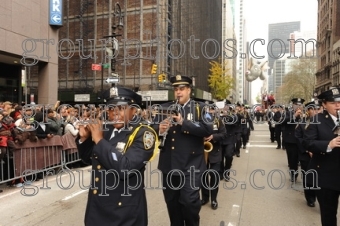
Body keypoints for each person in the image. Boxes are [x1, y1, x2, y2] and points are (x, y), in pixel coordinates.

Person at [76, 86, 157, 226]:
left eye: (121, 108)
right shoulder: (106, 131)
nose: (116, 113)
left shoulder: (143, 133)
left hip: (124, 212)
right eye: (111, 109)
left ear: (133, 110)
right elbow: (88, 158)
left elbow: (125, 168)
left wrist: (99, 140)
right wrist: (84, 139)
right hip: (98, 209)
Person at [155, 75, 212, 226]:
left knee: (189, 203)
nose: (178, 92)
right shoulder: (164, 108)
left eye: (181, 89)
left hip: (191, 165)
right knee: (172, 205)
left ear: (189, 90)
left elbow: (207, 129)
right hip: (169, 164)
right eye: (176, 89)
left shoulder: (201, 108)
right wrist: (159, 129)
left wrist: (182, 122)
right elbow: (151, 129)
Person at [303, 87, 340, 226]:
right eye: (333, 102)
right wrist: (328, 145)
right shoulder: (317, 120)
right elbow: (308, 143)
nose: (338, 105)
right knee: (329, 215)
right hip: (326, 175)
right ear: (324, 104)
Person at [200, 108, 227, 210]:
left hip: (215, 152)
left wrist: (213, 136)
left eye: (211, 109)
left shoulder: (218, 121)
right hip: (202, 152)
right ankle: (205, 197)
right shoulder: (200, 121)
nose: (210, 111)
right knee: (203, 176)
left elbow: (224, 134)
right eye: (208, 109)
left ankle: (214, 199)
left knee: (214, 176)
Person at [295, 100, 319, 207]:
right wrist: (307, 150)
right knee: (308, 176)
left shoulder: (321, 123)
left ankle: (320, 197)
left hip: (319, 155)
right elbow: (298, 137)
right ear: (308, 111)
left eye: (317, 109)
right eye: (313, 109)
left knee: (319, 177)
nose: (316, 111)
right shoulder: (303, 123)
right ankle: (310, 198)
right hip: (306, 155)